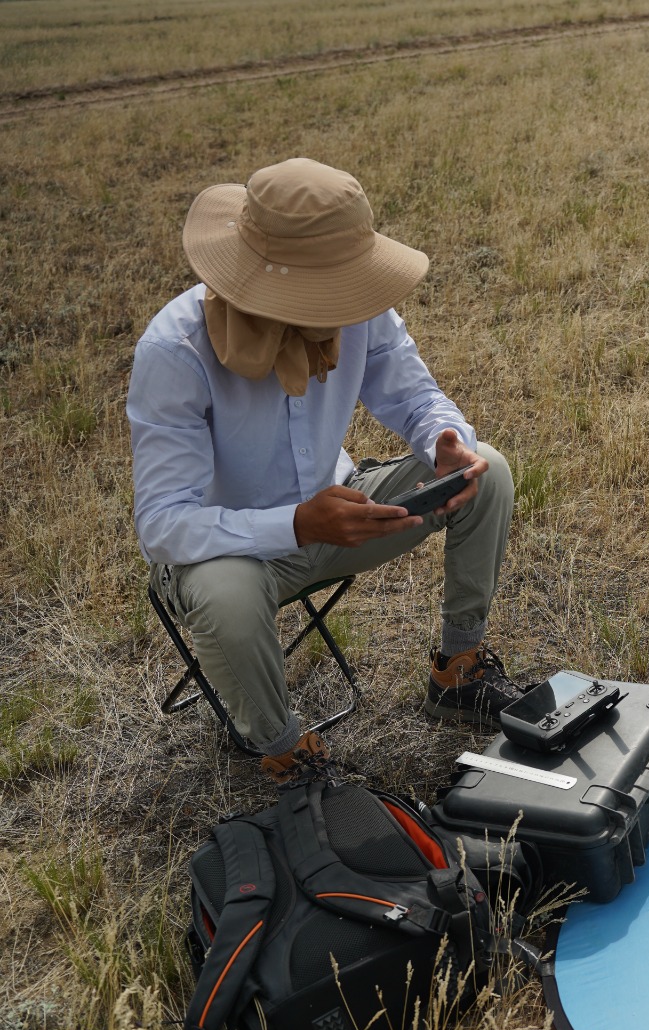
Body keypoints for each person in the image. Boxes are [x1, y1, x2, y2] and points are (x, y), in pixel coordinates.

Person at [128, 157, 525, 782]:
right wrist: (297, 525)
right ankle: (283, 749)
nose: (348, 301)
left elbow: (415, 396)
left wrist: (444, 439)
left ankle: (458, 670)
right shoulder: (175, 352)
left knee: (488, 473)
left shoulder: (353, 302)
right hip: (226, 557)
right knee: (228, 598)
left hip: (336, 513)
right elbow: (164, 526)